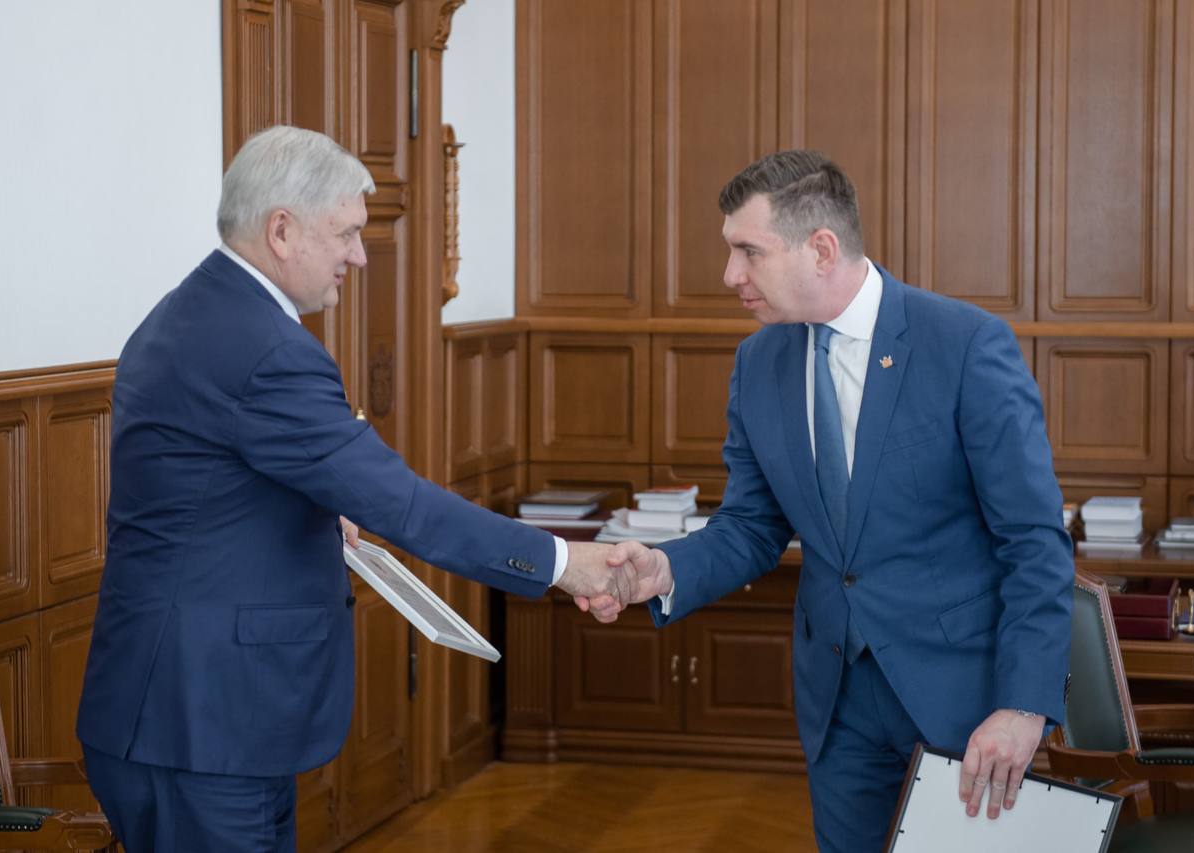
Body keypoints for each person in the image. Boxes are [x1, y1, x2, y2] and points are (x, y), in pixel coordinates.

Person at [76, 125, 630, 852]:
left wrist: (308, 511)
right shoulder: (266, 349)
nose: (360, 255)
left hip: (194, 713)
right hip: (201, 722)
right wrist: (564, 563)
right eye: (345, 234)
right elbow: (401, 503)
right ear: (281, 231)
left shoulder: (194, 311)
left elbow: (207, 488)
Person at [583, 150, 1073, 851]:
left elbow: (1033, 540)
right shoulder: (758, 363)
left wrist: (1022, 705)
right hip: (838, 701)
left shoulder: (963, 344)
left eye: (749, 252)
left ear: (821, 249)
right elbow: (751, 525)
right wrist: (663, 570)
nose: (730, 275)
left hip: (964, 698)